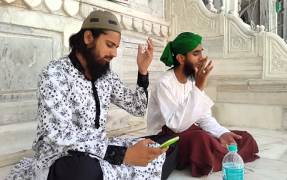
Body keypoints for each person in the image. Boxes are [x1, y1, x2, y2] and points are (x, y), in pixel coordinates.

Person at [6, 10, 177, 180]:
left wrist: (143, 71)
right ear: (88, 38)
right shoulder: (54, 74)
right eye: (110, 45)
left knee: (161, 148)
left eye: (116, 47)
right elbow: (59, 135)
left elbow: (138, 108)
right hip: (62, 157)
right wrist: (121, 155)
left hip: (101, 153)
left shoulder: (106, 76)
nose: (115, 54)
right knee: (82, 170)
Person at [147, 32, 259, 177]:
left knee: (243, 137)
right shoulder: (165, 83)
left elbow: (203, 117)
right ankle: (222, 155)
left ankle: (219, 155)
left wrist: (221, 132)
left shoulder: (191, 81)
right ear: (181, 58)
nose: (202, 58)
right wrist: (199, 87)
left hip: (190, 132)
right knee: (202, 139)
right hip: (166, 136)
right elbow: (175, 125)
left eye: (202, 52)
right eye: (196, 54)